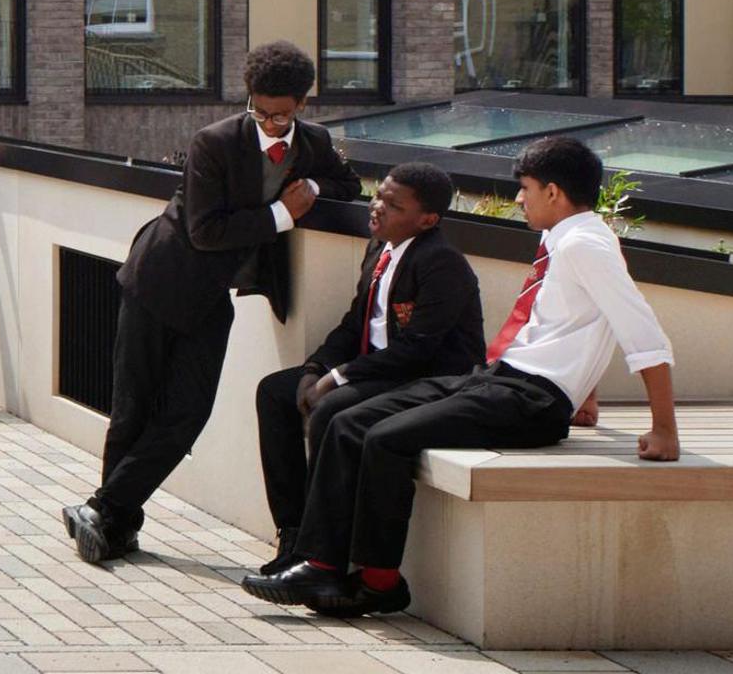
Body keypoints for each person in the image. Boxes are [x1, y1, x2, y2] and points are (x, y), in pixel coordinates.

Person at [252, 135, 679, 620]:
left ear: (554, 193)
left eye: (525, 188)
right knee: (352, 421)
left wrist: (664, 429)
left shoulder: (585, 244)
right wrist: (587, 390)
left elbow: (641, 332)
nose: (520, 199)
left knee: (385, 438)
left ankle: (378, 582)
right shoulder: (565, 238)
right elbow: (579, 323)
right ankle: (320, 564)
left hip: (530, 400)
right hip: (501, 379)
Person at [64, 39, 360, 565]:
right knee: (133, 409)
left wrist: (309, 182)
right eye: (261, 112)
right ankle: (117, 526)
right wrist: (284, 215)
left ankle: (103, 509)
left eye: (282, 115)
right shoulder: (213, 141)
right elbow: (204, 231)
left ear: (302, 106)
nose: (270, 123)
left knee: (188, 414)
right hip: (159, 278)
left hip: (211, 297)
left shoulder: (313, 141)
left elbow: (348, 184)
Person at [243, 161, 480, 580]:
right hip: (376, 367)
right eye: (378, 196)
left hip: (422, 379)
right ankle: (294, 532)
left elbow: (417, 350)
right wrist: (315, 368)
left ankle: (323, 556)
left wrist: (337, 377)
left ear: (427, 220)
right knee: (276, 393)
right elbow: (356, 324)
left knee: (330, 410)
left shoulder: (442, 263)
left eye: (392, 204)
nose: (377, 207)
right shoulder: (381, 248)